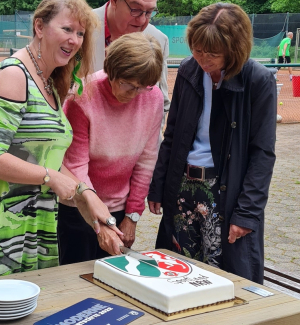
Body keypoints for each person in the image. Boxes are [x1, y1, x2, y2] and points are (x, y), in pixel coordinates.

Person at [0, 0, 119, 286]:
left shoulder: (50, 81)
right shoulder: (13, 75)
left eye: (80, 33)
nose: (75, 40)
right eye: (67, 29)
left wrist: (88, 195)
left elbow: (47, 159)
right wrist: (50, 177)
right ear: (40, 26)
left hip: (24, 215)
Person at [148, 3, 276, 284]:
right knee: (178, 275)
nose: (203, 59)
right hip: (183, 186)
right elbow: (172, 135)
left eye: (213, 54)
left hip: (225, 193)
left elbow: (262, 153)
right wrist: (158, 186)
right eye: (197, 50)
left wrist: (247, 213)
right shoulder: (188, 70)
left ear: (234, 50)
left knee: (223, 280)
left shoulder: (258, 80)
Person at [58, 32, 164, 265]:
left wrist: (132, 216)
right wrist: (99, 222)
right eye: (127, 84)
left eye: (141, 87)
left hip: (119, 208)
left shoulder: (152, 97)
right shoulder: (84, 95)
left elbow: (146, 161)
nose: (134, 94)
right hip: (78, 206)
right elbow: (76, 166)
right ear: (112, 70)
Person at [92, 0, 170, 128]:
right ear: (114, 2)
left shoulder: (158, 40)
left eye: (149, 12)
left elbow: (160, 105)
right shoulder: (78, 27)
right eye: (135, 9)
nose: (142, 20)